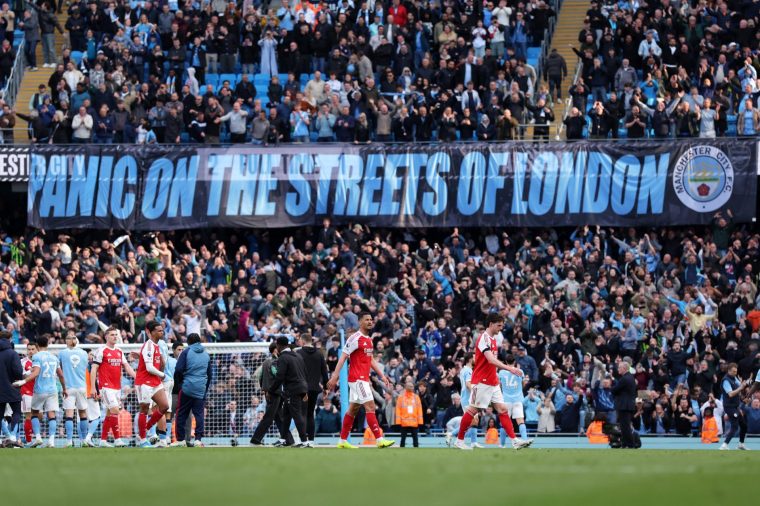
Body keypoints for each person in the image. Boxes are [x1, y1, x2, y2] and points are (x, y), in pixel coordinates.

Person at [452, 314, 532, 450]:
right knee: (472, 411)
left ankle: (514, 441)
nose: (501, 328)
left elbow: (491, 363)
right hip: (482, 381)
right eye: (499, 325)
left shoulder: (493, 340)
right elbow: (491, 360)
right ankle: (459, 441)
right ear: (491, 324)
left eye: (502, 325)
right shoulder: (483, 338)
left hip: (492, 381)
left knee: (503, 409)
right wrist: (510, 368)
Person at [326, 311, 395, 449]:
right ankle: (379, 439)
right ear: (360, 322)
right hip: (358, 379)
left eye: (371, 319)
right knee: (370, 406)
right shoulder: (354, 338)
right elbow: (343, 357)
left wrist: (382, 375)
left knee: (352, 410)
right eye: (367, 319)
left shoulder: (369, 340)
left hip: (362, 379)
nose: (370, 321)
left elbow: (370, 360)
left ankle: (342, 440)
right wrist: (335, 376)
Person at [90, 326, 136, 447]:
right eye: (112, 335)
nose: (115, 337)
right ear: (106, 337)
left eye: (116, 335)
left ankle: (103, 440)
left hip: (117, 387)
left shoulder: (119, 351)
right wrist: (93, 387)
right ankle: (117, 440)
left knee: (110, 414)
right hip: (105, 386)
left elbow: (127, 367)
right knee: (115, 410)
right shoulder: (101, 350)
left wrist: (137, 377)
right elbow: (94, 369)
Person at [16, 335, 65, 447]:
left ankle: (37, 437)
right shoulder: (54, 357)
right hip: (52, 390)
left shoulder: (37, 357)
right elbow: (61, 376)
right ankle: (51, 441)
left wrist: (23, 381)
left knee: (34, 413)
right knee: (51, 414)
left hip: (39, 389)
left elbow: (36, 373)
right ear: (48, 345)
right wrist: (64, 389)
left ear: (37, 346)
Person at [268, 336, 309, 447]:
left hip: (292, 389)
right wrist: (305, 391)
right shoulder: (298, 356)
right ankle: (283, 440)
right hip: (301, 387)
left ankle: (304, 441)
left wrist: (271, 390)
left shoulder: (283, 358)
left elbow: (280, 376)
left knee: (296, 414)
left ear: (279, 345)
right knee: (286, 415)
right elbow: (304, 373)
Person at [171, 333, 211, 447]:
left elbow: (178, 370)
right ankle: (198, 439)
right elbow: (210, 374)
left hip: (187, 387)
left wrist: (179, 385)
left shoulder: (186, 352)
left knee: (181, 413)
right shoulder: (206, 354)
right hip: (200, 388)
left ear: (188, 342)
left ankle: (181, 440)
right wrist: (205, 387)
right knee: (199, 414)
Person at [136, 321, 170, 448]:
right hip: (144, 382)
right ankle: (143, 440)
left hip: (155, 381)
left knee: (165, 406)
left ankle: (144, 429)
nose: (162, 332)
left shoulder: (156, 346)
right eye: (159, 330)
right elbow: (149, 368)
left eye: (162, 330)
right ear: (151, 332)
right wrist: (163, 375)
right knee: (144, 409)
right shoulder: (148, 346)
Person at [250, 342, 286, 446]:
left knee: (279, 418)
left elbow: (259, 377)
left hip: (269, 392)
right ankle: (255, 439)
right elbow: (278, 376)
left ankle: (289, 439)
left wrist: (264, 389)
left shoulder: (266, 362)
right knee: (269, 417)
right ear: (275, 350)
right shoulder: (275, 362)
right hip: (274, 393)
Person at [297, 332, 329, 445]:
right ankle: (311, 440)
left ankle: (303, 440)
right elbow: (325, 373)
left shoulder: (298, 353)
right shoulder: (319, 354)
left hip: (301, 389)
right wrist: (326, 388)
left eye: (300, 340)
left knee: (302, 413)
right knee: (310, 414)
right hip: (314, 389)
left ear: (303, 341)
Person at [59, 333, 89, 447]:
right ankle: (83, 440)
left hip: (68, 387)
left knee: (69, 415)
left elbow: (60, 367)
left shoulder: (62, 353)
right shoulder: (84, 353)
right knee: (82, 413)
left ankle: (69, 441)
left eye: (67, 338)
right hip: (81, 386)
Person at [498, 355, 529, 446]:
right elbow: (523, 383)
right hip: (518, 399)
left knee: (504, 423)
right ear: (514, 362)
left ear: (506, 362)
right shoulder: (520, 371)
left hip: (506, 400)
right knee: (520, 421)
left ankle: (502, 445)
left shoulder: (501, 372)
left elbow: (500, 385)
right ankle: (525, 440)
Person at [0, 331, 22, 447]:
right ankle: (13, 437)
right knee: (17, 412)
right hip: (12, 387)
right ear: (10, 339)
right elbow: (18, 372)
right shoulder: (13, 354)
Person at [720, 363, 749, 450]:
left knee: (744, 425)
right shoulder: (725, 380)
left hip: (736, 406)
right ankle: (724, 445)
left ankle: (741, 444)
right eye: (733, 371)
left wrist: (744, 384)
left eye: (736, 371)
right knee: (735, 426)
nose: (735, 373)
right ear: (729, 371)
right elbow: (731, 394)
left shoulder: (734, 378)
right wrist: (741, 387)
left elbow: (740, 385)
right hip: (729, 407)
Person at [454, 352, 479, 446]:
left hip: (470, 398)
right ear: (470, 359)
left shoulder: (467, 370)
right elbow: (469, 385)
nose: (476, 359)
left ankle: (473, 442)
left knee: (475, 420)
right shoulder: (467, 370)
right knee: (469, 421)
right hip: (467, 399)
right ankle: (458, 439)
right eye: (474, 357)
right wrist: (477, 392)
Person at [611, 360, 637, 448]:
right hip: (627, 405)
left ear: (624, 368)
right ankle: (625, 443)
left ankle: (630, 444)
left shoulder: (625, 378)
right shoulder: (629, 377)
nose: (618, 369)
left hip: (624, 406)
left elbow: (614, 390)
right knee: (624, 426)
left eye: (619, 367)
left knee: (625, 426)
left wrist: (612, 386)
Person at [395, 376, 423, 447]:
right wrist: (398, 422)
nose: (412, 388)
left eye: (412, 386)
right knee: (403, 439)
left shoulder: (416, 397)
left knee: (415, 440)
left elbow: (419, 410)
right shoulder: (401, 397)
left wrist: (420, 422)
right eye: (410, 386)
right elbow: (398, 410)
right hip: (404, 422)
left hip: (414, 422)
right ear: (406, 387)